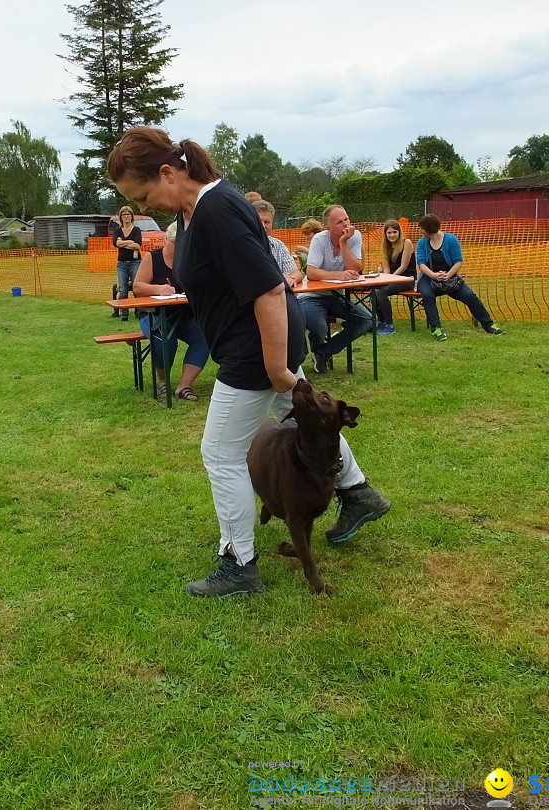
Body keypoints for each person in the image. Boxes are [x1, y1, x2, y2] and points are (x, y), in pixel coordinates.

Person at [107, 126, 390, 598]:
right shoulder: (200, 210)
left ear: (166, 172)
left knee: (219, 454)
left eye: (144, 194)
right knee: (300, 418)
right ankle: (358, 493)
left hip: (254, 354)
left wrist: (277, 369)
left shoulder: (217, 210)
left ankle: (239, 564)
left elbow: (269, 289)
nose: (144, 207)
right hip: (258, 346)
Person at [132, 222, 209, 401]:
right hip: (153, 314)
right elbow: (137, 287)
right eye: (175, 243)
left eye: (182, 243)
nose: (178, 247)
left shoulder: (190, 259)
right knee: (165, 338)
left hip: (184, 315)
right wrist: (158, 289)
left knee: (205, 337)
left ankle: (184, 386)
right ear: (165, 239)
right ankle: (162, 382)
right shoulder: (153, 258)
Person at [301, 205, 375, 373]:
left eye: (347, 219)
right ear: (329, 227)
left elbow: (355, 268)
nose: (346, 224)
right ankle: (318, 343)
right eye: (340, 222)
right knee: (319, 326)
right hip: (312, 296)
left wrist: (343, 243)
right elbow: (311, 272)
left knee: (368, 320)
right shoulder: (319, 240)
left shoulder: (354, 237)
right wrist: (337, 275)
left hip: (338, 296)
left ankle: (323, 351)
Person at [415, 214, 505, 341]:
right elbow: (421, 263)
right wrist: (433, 275)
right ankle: (436, 329)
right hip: (428, 277)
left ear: (429, 228)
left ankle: (489, 325)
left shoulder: (451, 240)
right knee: (427, 295)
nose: (420, 231)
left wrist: (448, 275)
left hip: (450, 277)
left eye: (422, 228)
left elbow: (458, 262)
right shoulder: (422, 242)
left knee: (470, 296)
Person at [371, 219, 419, 336]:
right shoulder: (386, 246)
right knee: (374, 290)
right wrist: (384, 278)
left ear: (399, 232)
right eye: (389, 233)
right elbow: (386, 268)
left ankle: (389, 324)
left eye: (394, 232)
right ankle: (380, 321)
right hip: (392, 279)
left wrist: (389, 279)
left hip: (407, 279)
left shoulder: (406, 243)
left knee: (380, 292)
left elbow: (403, 266)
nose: (392, 235)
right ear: (385, 234)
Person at [252, 200, 302, 289]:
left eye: (267, 222)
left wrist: (291, 279)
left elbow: (297, 273)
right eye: (259, 222)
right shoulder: (242, 246)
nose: (263, 226)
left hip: (281, 296)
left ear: (272, 224)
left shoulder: (278, 245)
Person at [111, 206, 143, 322]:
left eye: (128, 214)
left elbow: (138, 245)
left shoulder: (137, 230)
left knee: (136, 288)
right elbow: (116, 243)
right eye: (123, 215)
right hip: (122, 264)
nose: (126, 216)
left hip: (135, 262)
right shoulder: (117, 231)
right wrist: (131, 242)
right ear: (121, 217)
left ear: (131, 216)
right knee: (123, 290)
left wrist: (123, 242)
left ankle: (139, 312)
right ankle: (123, 314)